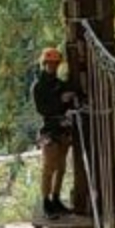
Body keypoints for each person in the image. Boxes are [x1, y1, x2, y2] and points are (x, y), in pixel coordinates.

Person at [31, 46, 80, 217]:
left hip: (62, 129)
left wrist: (70, 97)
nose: (52, 66)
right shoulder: (38, 87)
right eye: (50, 64)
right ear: (44, 64)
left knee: (61, 167)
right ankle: (46, 202)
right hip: (49, 130)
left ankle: (56, 199)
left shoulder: (60, 84)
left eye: (55, 64)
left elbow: (71, 100)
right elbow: (43, 110)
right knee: (49, 167)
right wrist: (61, 100)